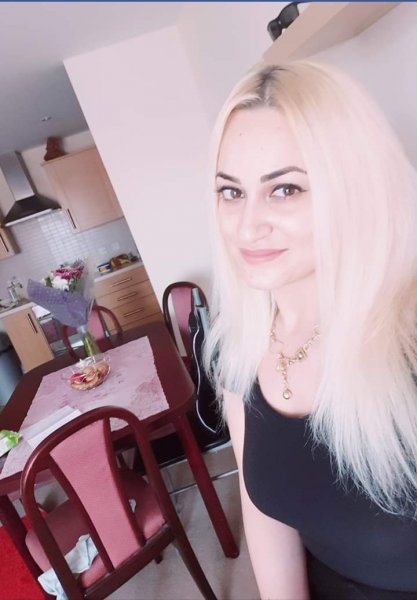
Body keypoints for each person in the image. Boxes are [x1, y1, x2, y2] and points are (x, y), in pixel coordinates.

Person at [203, 61, 417, 600]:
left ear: (356, 189)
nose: (247, 225)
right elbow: (265, 513)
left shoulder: (406, 341)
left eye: (285, 189)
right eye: (231, 192)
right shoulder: (239, 350)